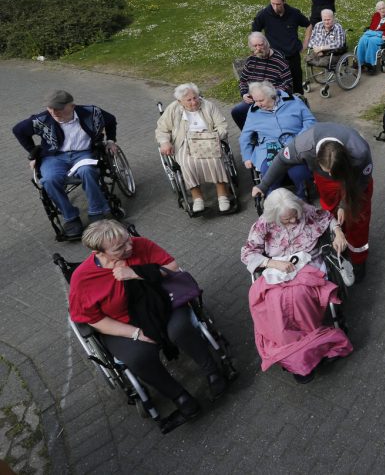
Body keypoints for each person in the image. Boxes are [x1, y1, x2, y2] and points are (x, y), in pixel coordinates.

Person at [69, 221, 227, 420]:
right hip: (123, 323)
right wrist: (135, 333)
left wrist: (137, 273)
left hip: (161, 303)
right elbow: (94, 320)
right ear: (97, 252)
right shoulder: (82, 279)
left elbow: (172, 267)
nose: (130, 247)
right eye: (120, 248)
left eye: (128, 240)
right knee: (138, 357)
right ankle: (179, 397)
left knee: (180, 329)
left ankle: (212, 371)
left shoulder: (140, 244)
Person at [241, 188, 353, 383]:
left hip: (308, 267)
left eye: (295, 217)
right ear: (274, 216)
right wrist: (273, 263)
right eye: (287, 220)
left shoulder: (305, 211)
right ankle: (299, 353)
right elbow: (247, 253)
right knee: (273, 302)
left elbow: (327, 218)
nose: (293, 222)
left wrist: (338, 232)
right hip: (278, 270)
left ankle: (304, 353)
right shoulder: (263, 225)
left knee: (298, 298)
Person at [254, 123, 374, 279]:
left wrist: (345, 204)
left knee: (358, 218)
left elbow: (362, 181)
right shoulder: (304, 145)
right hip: (324, 181)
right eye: (327, 170)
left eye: (333, 172)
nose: (331, 174)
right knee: (330, 213)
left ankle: (358, 259)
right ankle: (337, 243)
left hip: (355, 178)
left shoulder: (360, 152)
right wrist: (263, 185)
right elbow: (281, 160)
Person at [13, 90, 117, 238]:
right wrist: (32, 153)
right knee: (49, 179)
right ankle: (71, 218)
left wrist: (111, 140)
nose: (54, 112)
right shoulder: (42, 119)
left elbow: (111, 120)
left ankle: (97, 212)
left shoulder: (91, 112)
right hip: (54, 156)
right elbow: (18, 130)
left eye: (59, 108)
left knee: (87, 171)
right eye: (50, 108)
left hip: (83, 153)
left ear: (72, 106)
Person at [155, 83, 232, 214]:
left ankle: (223, 195)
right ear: (180, 101)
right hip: (184, 142)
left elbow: (221, 124)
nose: (194, 102)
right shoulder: (173, 109)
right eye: (189, 100)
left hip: (208, 138)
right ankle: (197, 198)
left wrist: (215, 136)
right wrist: (164, 142)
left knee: (215, 160)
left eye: (195, 98)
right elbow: (162, 129)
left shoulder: (208, 106)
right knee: (186, 163)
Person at [240, 81, 316, 198]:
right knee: (269, 173)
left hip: (295, 143)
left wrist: (301, 137)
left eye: (261, 100)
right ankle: (275, 201)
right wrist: (247, 156)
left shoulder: (293, 101)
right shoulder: (254, 111)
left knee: (299, 172)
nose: (258, 104)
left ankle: (303, 197)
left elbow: (310, 121)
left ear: (272, 96)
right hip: (268, 148)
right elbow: (245, 135)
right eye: (255, 100)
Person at [251, 0, 312, 94]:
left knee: (297, 86)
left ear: (284, 1)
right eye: (272, 4)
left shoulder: (294, 13)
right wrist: (259, 48)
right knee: (279, 89)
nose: (275, 7)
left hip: (293, 56)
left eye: (278, 4)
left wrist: (305, 43)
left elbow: (309, 25)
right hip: (274, 58)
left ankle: (300, 107)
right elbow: (254, 33)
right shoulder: (263, 14)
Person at [231, 32, 294, 129]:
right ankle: (251, 136)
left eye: (260, 45)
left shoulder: (279, 61)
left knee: (263, 115)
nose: (258, 48)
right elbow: (243, 81)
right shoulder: (251, 60)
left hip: (272, 99)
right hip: (254, 99)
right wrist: (244, 93)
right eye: (255, 46)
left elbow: (288, 84)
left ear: (266, 43)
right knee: (237, 111)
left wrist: (271, 94)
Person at [356, 0, 385, 73]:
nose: (382, 10)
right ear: (377, 10)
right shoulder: (376, 15)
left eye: (383, 8)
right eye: (380, 9)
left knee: (371, 41)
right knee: (362, 39)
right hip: (372, 33)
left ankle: (370, 64)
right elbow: (372, 27)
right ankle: (360, 62)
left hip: (382, 35)